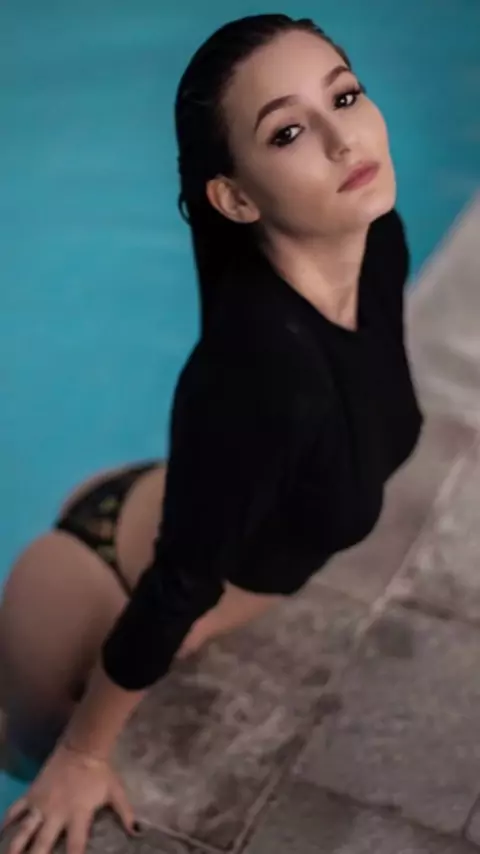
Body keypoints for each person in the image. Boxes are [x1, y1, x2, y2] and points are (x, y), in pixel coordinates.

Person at [0, 12, 423, 854]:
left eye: (344, 96)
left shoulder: (377, 243)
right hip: (94, 590)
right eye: (290, 131)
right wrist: (84, 754)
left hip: (158, 509)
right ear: (234, 196)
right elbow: (175, 590)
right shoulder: (262, 369)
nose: (343, 140)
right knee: (25, 761)